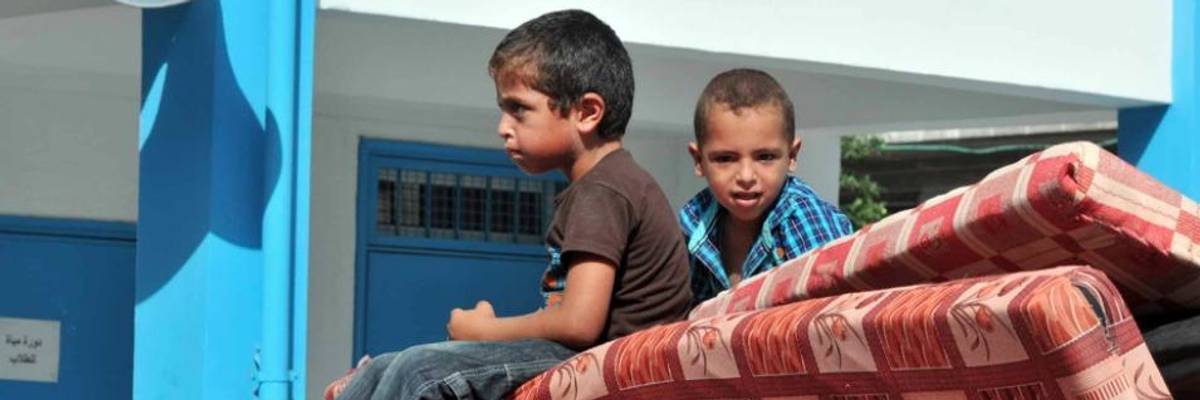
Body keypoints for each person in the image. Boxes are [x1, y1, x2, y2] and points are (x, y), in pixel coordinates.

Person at [331, 9, 692, 400]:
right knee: (385, 366)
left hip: (605, 357)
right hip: (582, 347)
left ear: (587, 112)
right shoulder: (602, 185)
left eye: (518, 109)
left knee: (422, 370)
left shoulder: (603, 190)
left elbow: (579, 323)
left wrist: (483, 331)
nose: (503, 127)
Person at [680, 68, 855, 304]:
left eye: (765, 157)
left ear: (792, 156)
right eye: (725, 159)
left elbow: (831, 317)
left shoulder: (807, 222)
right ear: (698, 161)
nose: (746, 176)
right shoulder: (694, 222)